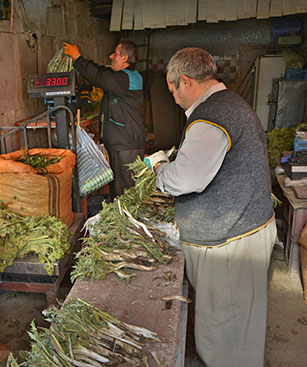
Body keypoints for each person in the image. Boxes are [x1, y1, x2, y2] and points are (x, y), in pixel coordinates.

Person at [144, 47, 276, 367]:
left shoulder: (212, 117)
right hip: (245, 229)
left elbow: (186, 179)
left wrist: (161, 168)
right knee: (239, 323)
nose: (173, 97)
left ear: (185, 81)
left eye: (172, 88)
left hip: (230, 241)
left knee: (226, 330)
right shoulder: (232, 105)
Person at [64, 40, 145, 199]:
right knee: (117, 189)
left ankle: (131, 222)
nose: (110, 56)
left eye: (115, 53)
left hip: (127, 143)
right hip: (120, 141)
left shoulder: (129, 78)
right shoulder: (121, 77)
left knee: (128, 190)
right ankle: (119, 218)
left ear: (124, 58)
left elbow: (99, 76)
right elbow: (101, 71)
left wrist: (77, 57)